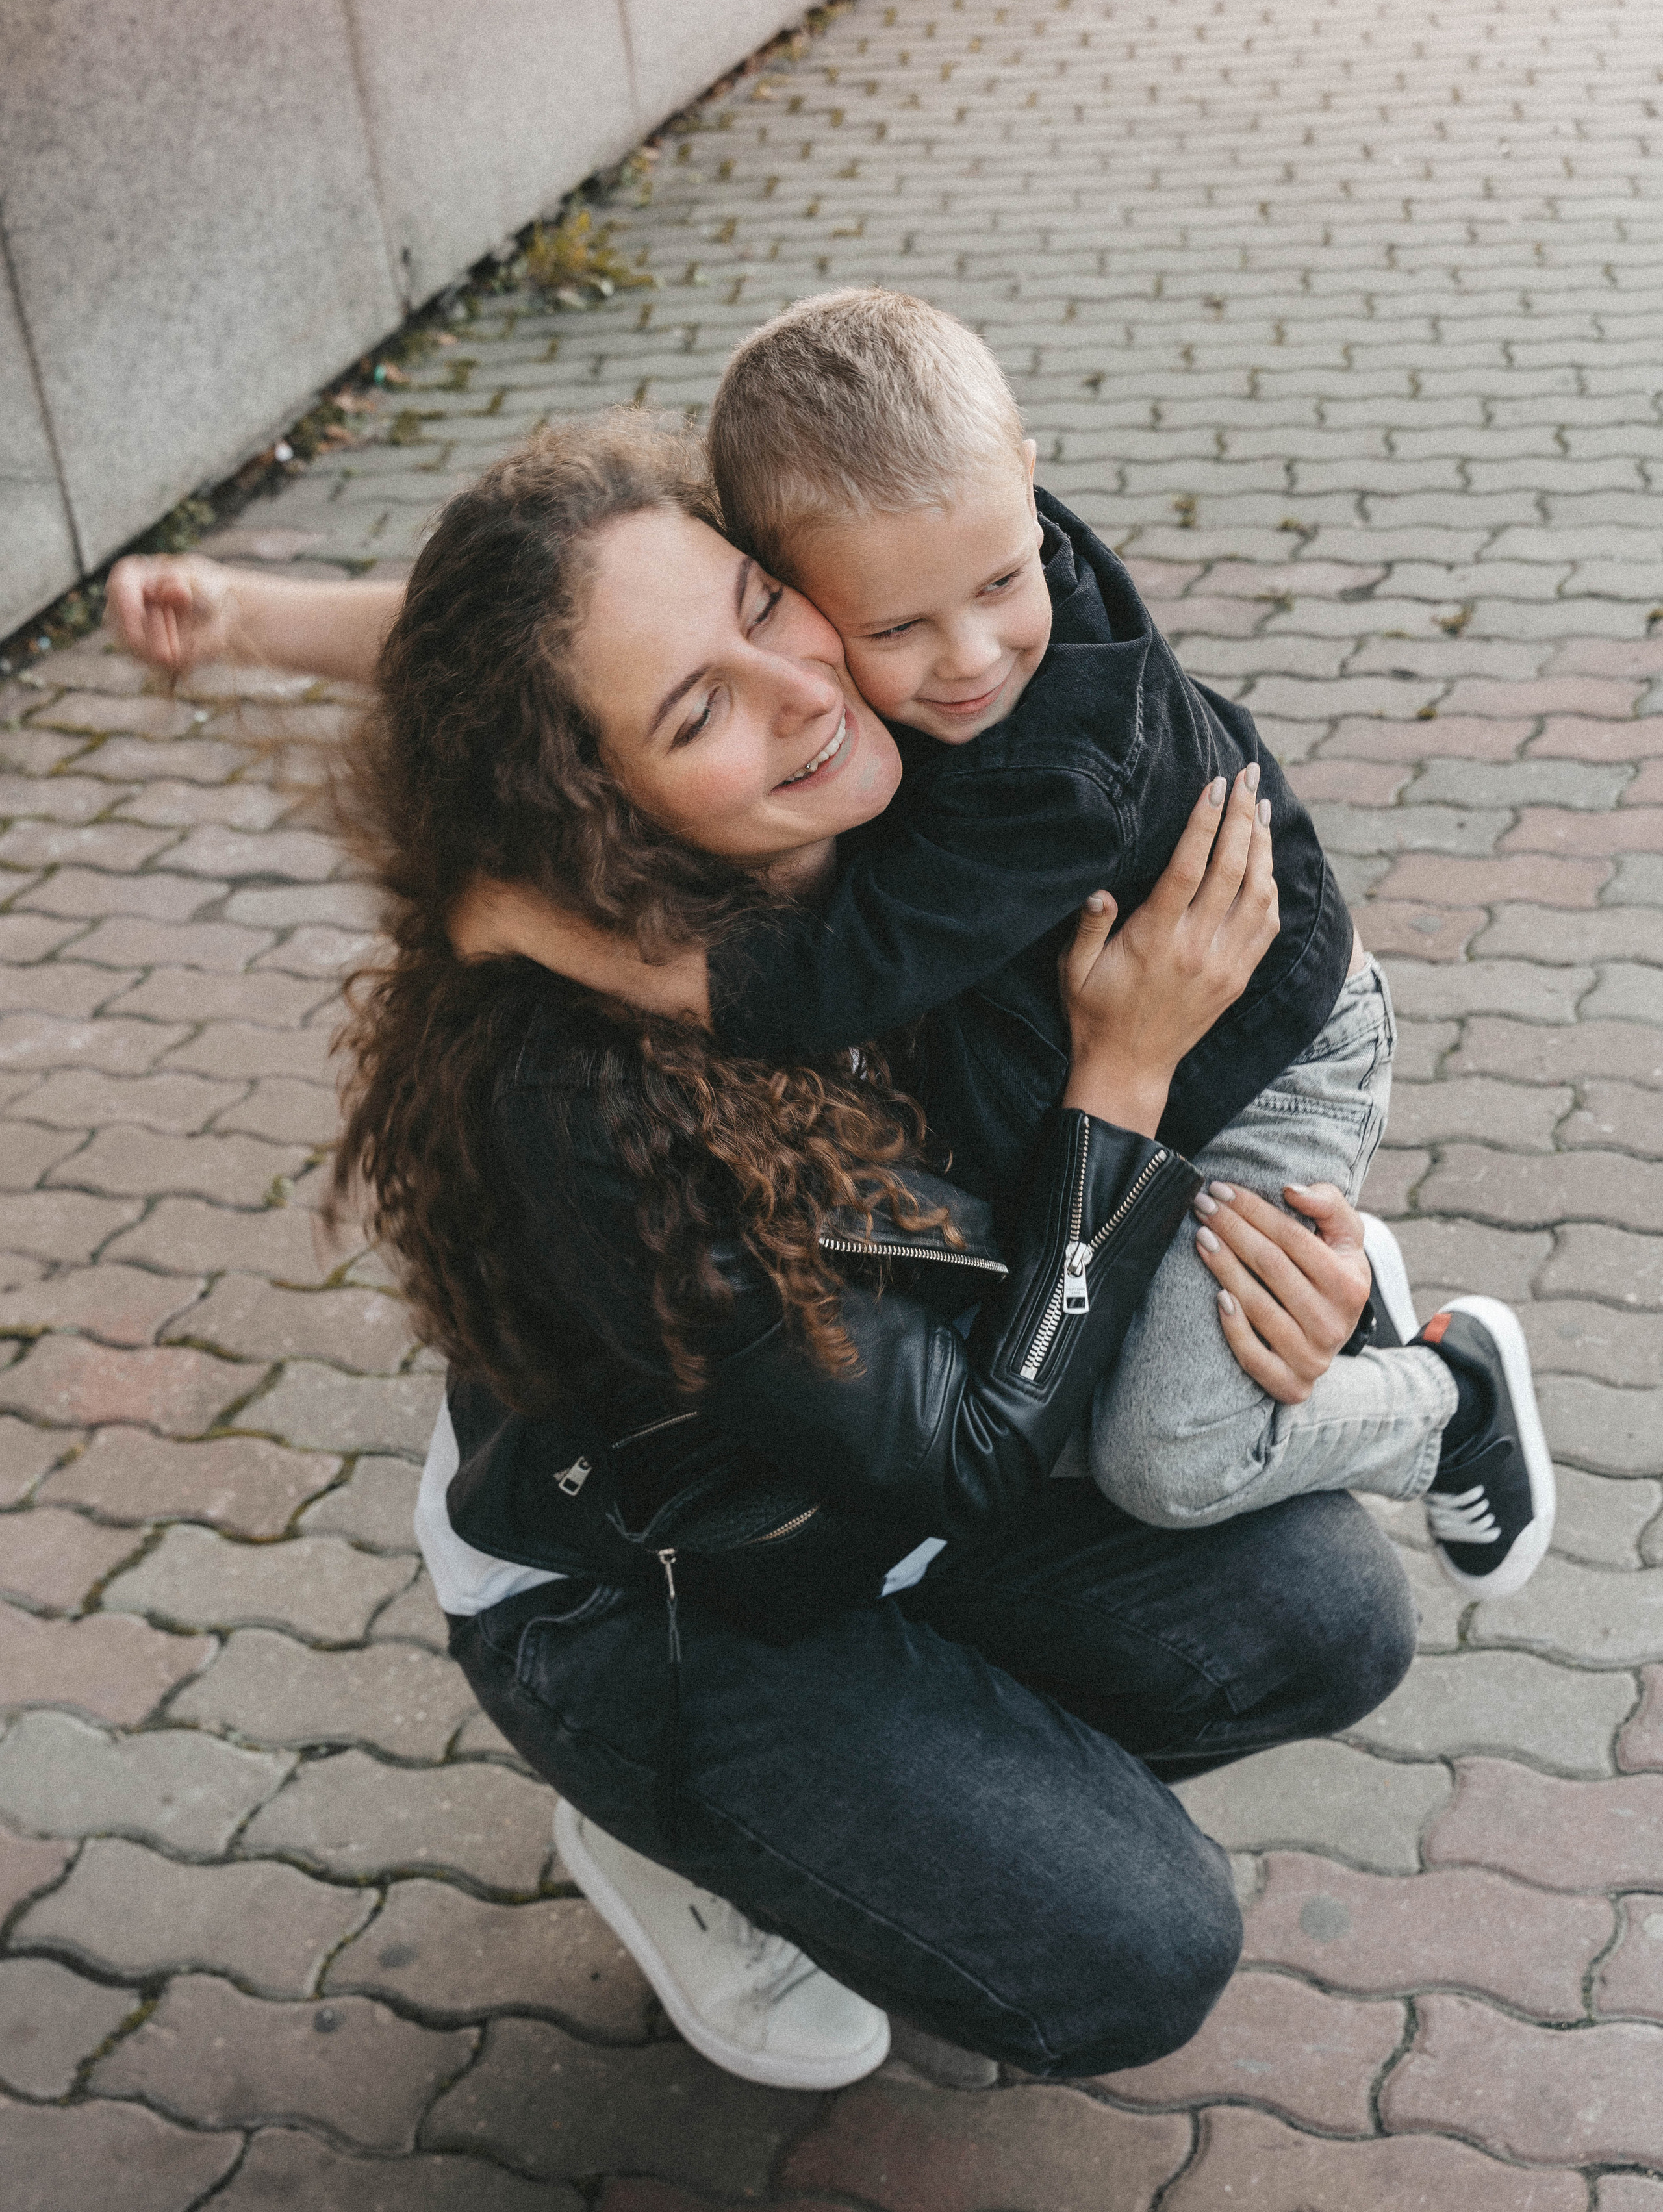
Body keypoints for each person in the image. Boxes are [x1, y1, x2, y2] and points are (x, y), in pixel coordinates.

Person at [107, 412, 1415, 2091]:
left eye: (761, 605)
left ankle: (866, 1804)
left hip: (882, 1476)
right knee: (1135, 1953)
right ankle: (685, 1827)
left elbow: (524, 625)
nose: (798, 689)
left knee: (1321, 1611)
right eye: (697, 710)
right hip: (662, 1578)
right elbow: (965, 1445)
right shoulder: (580, 1098)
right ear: (591, 797)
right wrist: (1124, 1085)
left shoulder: (896, 743)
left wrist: (1303, 1274)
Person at [459, 292, 1554, 1598]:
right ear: (784, 581)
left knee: (1166, 1458)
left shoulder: (1057, 770)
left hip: (1257, 1060)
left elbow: (818, 980)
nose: (972, 659)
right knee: (1061, 1352)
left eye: (1000, 581)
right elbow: (538, 622)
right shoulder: (918, 537)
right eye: (895, 630)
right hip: (1089, 1054)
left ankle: (1444, 1400)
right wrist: (255, 625)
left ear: (1025, 476)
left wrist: (532, 926)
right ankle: (1329, 1300)